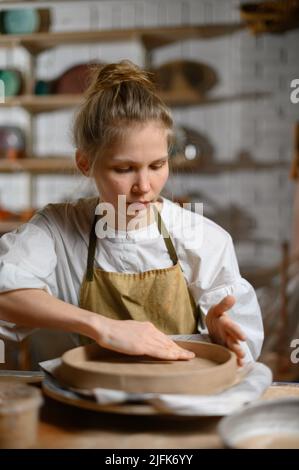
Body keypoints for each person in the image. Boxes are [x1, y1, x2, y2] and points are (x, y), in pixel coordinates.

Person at [0, 60, 263, 368]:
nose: (144, 186)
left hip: (176, 402)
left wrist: (221, 338)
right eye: (124, 169)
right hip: (87, 401)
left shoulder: (202, 237)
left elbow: (243, 351)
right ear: (85, 163)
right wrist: (103, 327)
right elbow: (5, 295)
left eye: (157, 165)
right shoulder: (57, 229)